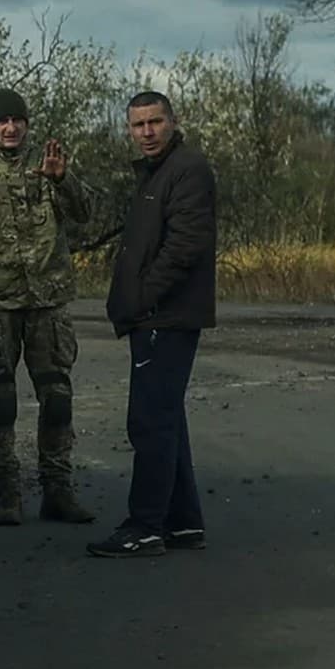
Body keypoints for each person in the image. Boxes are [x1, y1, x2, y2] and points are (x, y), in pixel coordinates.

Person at [0, 87, 98, 526]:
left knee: (58, 396)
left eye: (17, 120)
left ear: (27, 123)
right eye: (1, 121)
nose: (10, 128)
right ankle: (7, 492)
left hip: (47, 298)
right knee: (1, 398)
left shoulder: (48, 162)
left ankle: (57, 489)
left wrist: (62, 178)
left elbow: (86, 213)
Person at [90, 90, 217, 558]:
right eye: (138, 125)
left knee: (150, 422)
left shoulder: (187, 170)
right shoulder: (156, 173)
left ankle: (144, 528)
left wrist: (141, 299)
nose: (146, 132)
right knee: (167, 420)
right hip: (155, 317)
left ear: (172, 121)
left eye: (155, 122)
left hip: (167, 317)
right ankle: (183, 524)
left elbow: (185, 246)